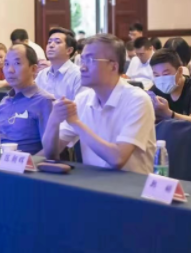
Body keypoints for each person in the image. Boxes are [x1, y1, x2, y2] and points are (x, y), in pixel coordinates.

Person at [42, 34, 156, 174]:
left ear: (113, 66)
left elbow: (118, 159)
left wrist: (76, 123)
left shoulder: (138, 100)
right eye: (82, 60)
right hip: (91, 182)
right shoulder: (82, 99)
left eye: (90, 60)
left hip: (132, 185)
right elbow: (51, 154)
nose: (82, 68)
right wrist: (53, 121)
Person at [0, 44, 54, 154]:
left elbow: (50, 150)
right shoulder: (4, 102)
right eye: (6, 64)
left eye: (17, 63)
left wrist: (29, 161)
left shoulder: (44, 102)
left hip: (26, 162)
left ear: (33, 69)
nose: (10, 70)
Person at [148, 49, 191, 122]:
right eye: (156, 75)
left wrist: (169, 114)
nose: (161, 80)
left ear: (180, 71)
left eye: (166, 74)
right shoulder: (156, 89)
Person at [36, 27, 82, 101]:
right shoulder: (42, 74)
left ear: (69, 50)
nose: (51, 45)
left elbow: (81, 105)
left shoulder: (78, 75)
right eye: (49, 42)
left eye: (57, 42)